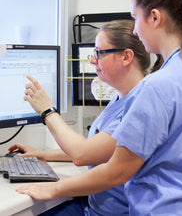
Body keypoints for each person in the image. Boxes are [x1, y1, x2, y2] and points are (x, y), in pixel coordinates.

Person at [16, 0, 182, 215]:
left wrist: (55, 189)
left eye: (135, 18)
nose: (136, 30)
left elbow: (117, 170)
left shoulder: (159, 86)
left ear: (155, 18)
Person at [10, 19, 157, 215]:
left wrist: (47, 111)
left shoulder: (139, 106)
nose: (93, 60)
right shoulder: (120, 97)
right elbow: (97, 149)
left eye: (99, 53)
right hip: (93, 206)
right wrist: (43, 155)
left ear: (126, 56)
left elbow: (82, 154)